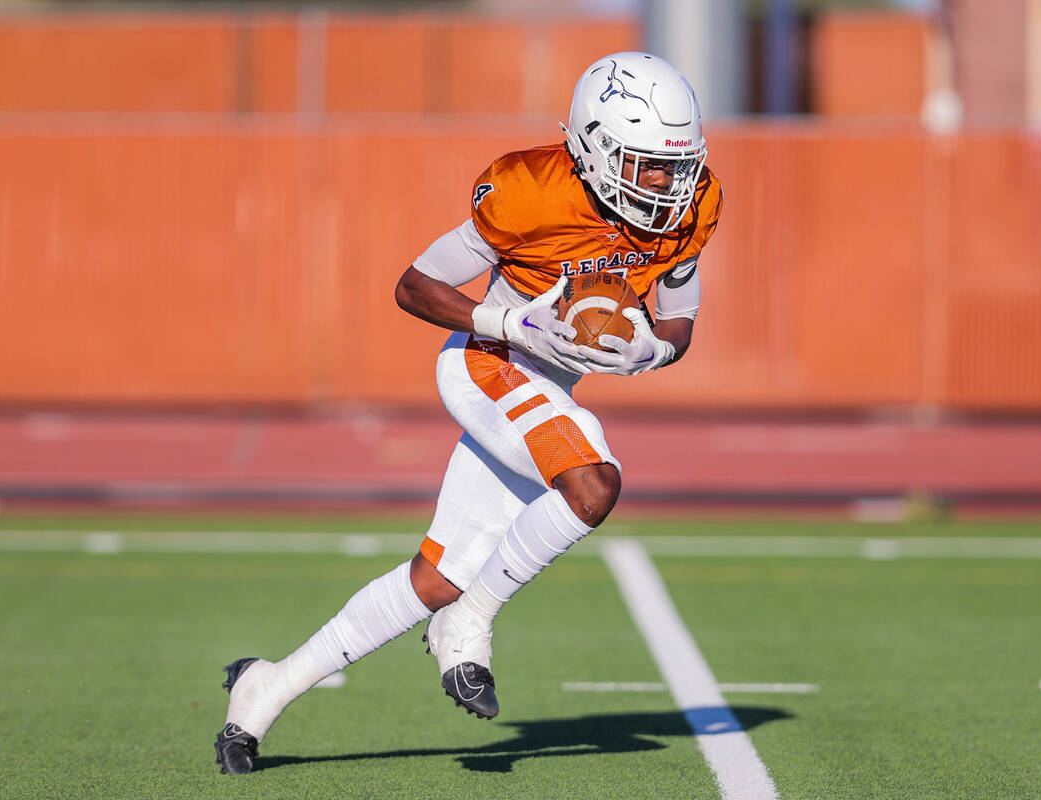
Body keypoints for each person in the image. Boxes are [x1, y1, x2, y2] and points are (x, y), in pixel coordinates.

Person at [213, 50, 723, 775]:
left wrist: (646, 355)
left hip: (548, 385)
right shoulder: (530, 192)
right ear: (596, 148)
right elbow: (414, 285)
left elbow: (677, 326)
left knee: (437, 576)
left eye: (680, 165)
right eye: (650, 166)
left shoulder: (694, 202)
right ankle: (473, 619)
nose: (672, 185)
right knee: (591, 484)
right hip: (487, 361)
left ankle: (267, 687)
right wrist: (513, 326)